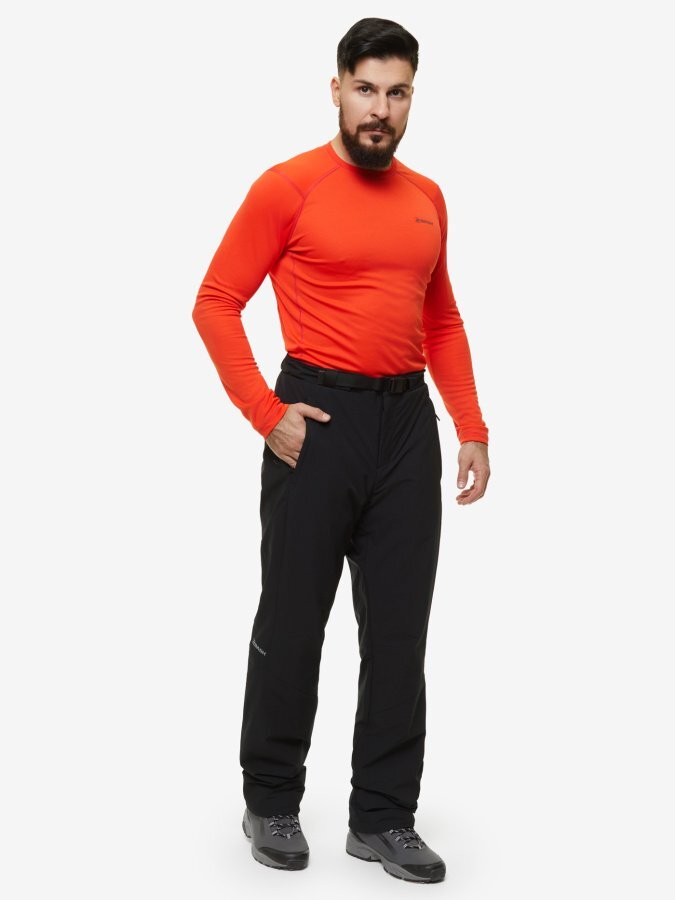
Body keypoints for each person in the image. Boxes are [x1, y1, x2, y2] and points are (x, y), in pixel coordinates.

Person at [192, 16, 491, 884]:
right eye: (365, 89)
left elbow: (441, 319)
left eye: (396, 93)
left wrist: (470, 426)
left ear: (411, 98)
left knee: (397, 633)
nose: (379, 109)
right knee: (293, 621)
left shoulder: (427, 196)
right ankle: (270, 799)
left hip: (406, 427)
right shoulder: (289, 186)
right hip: (316, 420)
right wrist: (266, 412)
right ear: (336, 89)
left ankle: (384, 816)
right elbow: (215, 301)